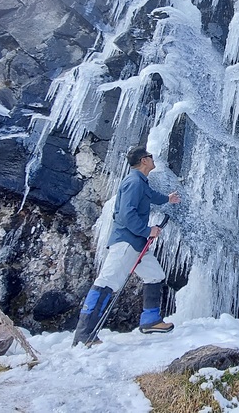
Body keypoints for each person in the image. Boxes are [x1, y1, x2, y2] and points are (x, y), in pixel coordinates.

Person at [72, 146, 181, 347]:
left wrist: (168, 199)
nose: (152, 157)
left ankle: (150, 321)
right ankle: (84, 334)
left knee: (155, 274)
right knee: (107, 281)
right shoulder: (133, 182)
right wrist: (148, 230)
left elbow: (151, 195)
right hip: (127, 242)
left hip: (137, 244)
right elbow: (126, 214)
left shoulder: (140, 182)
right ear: (144, 161)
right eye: (150, 156)